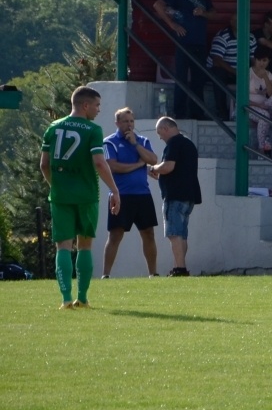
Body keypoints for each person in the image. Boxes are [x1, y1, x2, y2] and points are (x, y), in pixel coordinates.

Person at [40, 86, 120, 306]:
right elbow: (99, 162)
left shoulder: (53, 127)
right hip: (86, 195)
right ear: (85, 105)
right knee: (84, 245)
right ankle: (82, 299)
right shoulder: (92, 130)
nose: (98, 110)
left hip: (60, 196)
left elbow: (44, 164)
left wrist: (55, 186)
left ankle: (65, 299)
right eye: (96, 105)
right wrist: (114, 189)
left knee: (63, 245)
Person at [102, 107, 160, 278]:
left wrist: (135, 144)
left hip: (143, 195)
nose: (129, 124)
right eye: (125, 121)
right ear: (117, 123)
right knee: (115, 235)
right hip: (121, 196)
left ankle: (153, 273)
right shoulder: (109, 142)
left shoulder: (142, 140)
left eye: (131, 121)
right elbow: (112, 166)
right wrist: (137, 165)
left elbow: (153, 159)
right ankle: (106, 275)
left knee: (148, 233)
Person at [158, 0, 215, 118]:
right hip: (183, 43)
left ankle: (197, 113)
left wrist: (203, 13)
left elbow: (213, 14)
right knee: (181, 79)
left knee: (199, 80)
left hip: (200, 43)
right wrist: (172, 24)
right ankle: (180, 113)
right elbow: (158, 5)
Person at [150, 116, 200, 277]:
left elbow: (168, 166)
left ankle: (180, 268)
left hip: (175, 195)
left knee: (174, 233)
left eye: (160, 133)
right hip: (189, 195)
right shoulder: (188, 144)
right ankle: (179, 265)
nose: (160, 137)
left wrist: (153, 168)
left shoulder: (174, 143)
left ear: (166, 128)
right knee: (182, 234)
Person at [207, 23, 257, 118]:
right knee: (218, 74)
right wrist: (236, 72)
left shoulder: (250, 37)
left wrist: (255, 73)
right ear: (233, 23)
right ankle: (222, 113)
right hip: (225, 71)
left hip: (240, 73)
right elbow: (216, 61)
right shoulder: (222, 36)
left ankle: (247, 112)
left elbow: (254, 60)